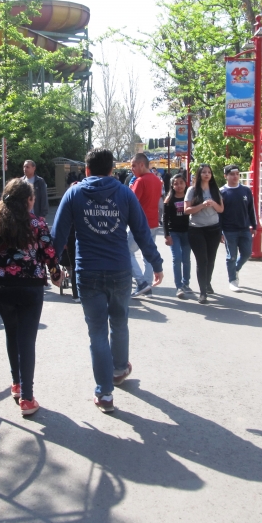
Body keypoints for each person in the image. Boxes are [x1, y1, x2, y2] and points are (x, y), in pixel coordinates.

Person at [52, 149, 163, 413]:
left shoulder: (75, 194)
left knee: (97, 332)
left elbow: (57, 235)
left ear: (87, 170)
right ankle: (119, 369)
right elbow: (141, 231)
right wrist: (156, 264)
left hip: (87, 271)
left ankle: (104, 394)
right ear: (113, 170)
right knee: (120, 321)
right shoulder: (124, 193)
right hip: (120, 270)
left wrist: (52, 267)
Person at [0, 179, 61, 416]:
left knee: (12, 335)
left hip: (3, 287)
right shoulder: (37, 223)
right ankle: (27, 397)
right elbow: (49, 253)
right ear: (28, 200)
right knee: (27, 340)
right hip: (31, 287)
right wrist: (56, 274)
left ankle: (16, 384)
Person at [184, 163, 224, 304]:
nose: (207, 174)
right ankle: (202, 292)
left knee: (211, 259)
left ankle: (207, 283)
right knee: (202, 260)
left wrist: (213, 204)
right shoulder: (192, 190)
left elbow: (221, 209)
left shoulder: (214, 190)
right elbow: (186, 210)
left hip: (213, 229)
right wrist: (201, 205)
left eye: (209, 172)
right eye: (204, 172)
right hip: (196, 229)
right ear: (199, 174)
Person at [127, 153, 163, 298]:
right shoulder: (157, 180)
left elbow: (131, 202)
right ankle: (147, 285)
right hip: (153, 223)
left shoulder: (140, 181)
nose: (132, 169)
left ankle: (141, 283)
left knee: (126, 251)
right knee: (147, 254)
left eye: (134, 166)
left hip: (140, 224)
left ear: (142, 164)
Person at [219, 164, 257, 293]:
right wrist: (220, 232)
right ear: (226, 176)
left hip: (245, 228)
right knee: (231, 256)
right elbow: (219, 214)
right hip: (229, 230)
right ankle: (233, 280)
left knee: (247, 253)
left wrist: (254, 225)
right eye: (232, 174)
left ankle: (235, 269)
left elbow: (252, 209)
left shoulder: (246, 190)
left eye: (237, 174)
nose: (235, 176)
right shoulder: (222, 192)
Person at [163, 173, 192, 299]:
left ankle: (186, 283)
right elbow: (165, 219)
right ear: (172, 186)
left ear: (185, 183)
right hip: (174, 232)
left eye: (181, 182)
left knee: (186, 258)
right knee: (177, 258)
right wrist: (166, 235)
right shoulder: (169, 200)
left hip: (188, 232)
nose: (179, 185)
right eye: (176, 183)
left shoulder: (190, 197)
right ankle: (178, 286)